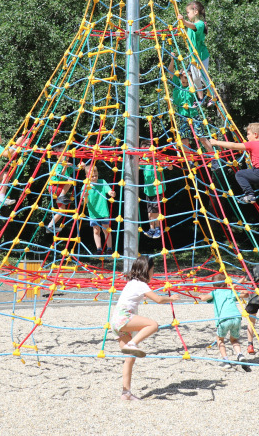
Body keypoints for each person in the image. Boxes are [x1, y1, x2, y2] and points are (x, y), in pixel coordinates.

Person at [111, 255, 180, 401]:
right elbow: (159, 299)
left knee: (130, 358)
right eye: (152, 270)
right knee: (153, 324)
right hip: (124, 318)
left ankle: (126, 393)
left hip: (115, 321)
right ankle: (133, 343)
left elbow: (136, 296)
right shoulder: (141, 285)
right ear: (147, 270)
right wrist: (171, 298)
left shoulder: (131, 282)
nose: (153, 273)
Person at [210, 123, 259, 235]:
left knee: (240, 174)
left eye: (248, 134)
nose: (247, 137)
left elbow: (233, 146)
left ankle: (250, 194)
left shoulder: (253, 144)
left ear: (256, 135)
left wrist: (216, 142)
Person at [198, 285, 251, 371]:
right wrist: (243, 289)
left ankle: (226, 361)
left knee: (220, 339)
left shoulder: (215, 292)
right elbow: (246, 295)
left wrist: (201, 296)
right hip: (236, 318)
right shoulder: (230, 291)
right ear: (226, 284)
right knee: (234, 339)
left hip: (224, 320)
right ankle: (240, 355)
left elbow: (204, 298)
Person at [167, 59, 214, 155]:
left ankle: (213, 158)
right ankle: (189, 161)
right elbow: (169, 70)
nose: (184, 80)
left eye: (186, 78)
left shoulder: (191, 86)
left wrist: (189, 76)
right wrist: (172, 59)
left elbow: (192, 89)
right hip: (182, 115)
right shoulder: (177, 84)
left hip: (193, 115)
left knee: (202, 138)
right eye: (182, 77)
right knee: (184, 139)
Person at [177, 0, 210, 103]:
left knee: (204, 77)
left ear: (195, 12)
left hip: (202, 55)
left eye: (188, 12)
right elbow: (189, 33)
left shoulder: (200, 24)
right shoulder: (190, 25)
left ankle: (213, 95)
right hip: (193, 57)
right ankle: (201, 98)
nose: (187, 15)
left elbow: (193, 27)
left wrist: (183, 21)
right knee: (195, 79)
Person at [84, 163, 115, 255]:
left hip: (103, 211)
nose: (94, 178)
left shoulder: (102, 182)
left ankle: (109, 248)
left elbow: (108, 190)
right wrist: (85, 196)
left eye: (96, 175)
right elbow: (85, 202)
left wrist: (111, 193)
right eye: (92, 176)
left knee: (106, 229)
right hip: (93, 213)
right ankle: (99, 249)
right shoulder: (86, 185)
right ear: (87, 176)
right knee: (96, 230)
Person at [46, 144, 74, 235]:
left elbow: (75, 169)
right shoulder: (57, 165)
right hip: (54, 187)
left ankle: (50, 226)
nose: (67, 159)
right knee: (71, 179)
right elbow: (60, 176)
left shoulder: (65, 165)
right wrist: (65, 166)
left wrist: (79, 166)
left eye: (68, 157)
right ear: (58, 156)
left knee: (62, 210)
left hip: (59, 189)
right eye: (65, 157)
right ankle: (62, 195)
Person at [140, 141, 165, 239]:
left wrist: (162, 160)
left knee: (155, 210)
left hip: (157, 189)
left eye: (145, 151)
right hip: (148, 190)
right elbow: (137, 164)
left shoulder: (157, 159)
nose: (144, 154)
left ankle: (158, 228)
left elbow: (170, 167)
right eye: (142, 152)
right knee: (150, 211)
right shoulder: (145, 160)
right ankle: (152, 229)